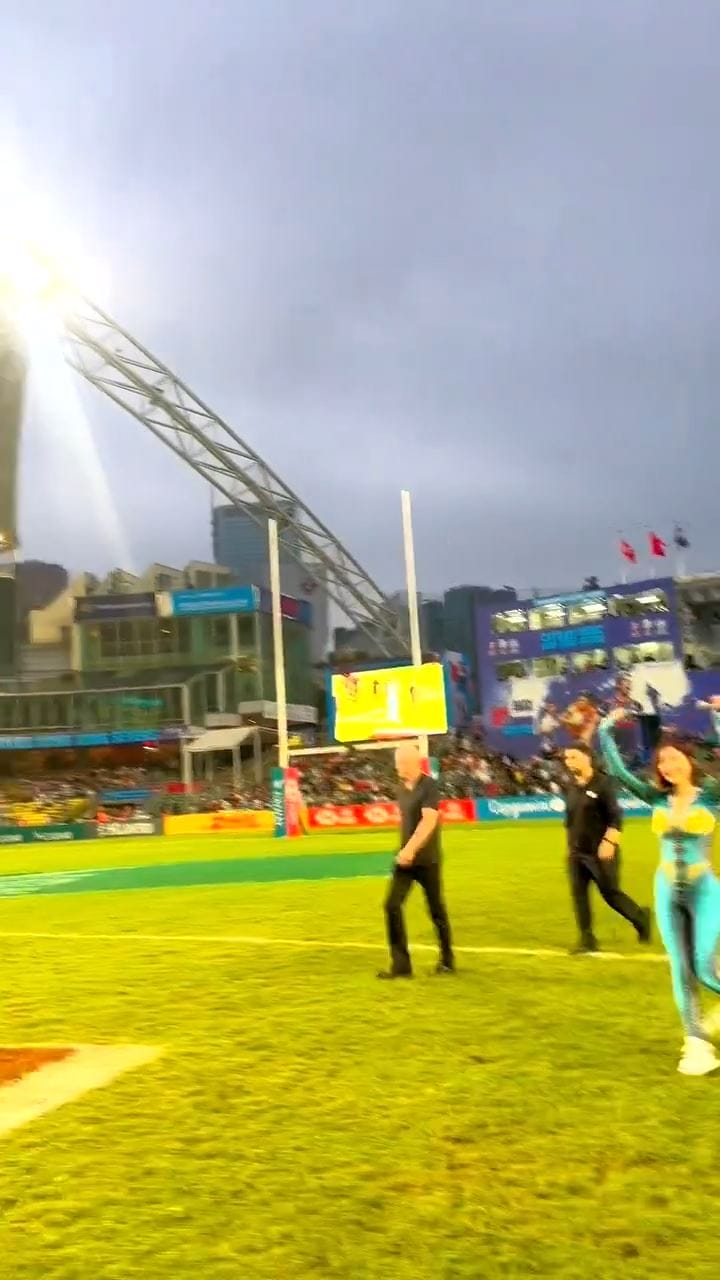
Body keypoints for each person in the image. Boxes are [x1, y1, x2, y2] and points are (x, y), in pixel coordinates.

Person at [599, 709, 720, 1076]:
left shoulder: (712, 793)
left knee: (704, 967)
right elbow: (619, 771)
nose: (667, 766)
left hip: (704, 892)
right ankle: (695, 1042)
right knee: (680, 969)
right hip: (666, 891)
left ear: (689, 759)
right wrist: (606, 729)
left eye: (673, 758)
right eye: (662, 762)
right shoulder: (655, 797)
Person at [562, 743, 651, 955]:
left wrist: (610, 842)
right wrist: (569, 848)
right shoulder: (571, 787)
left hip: (600, 852)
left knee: (611, 894)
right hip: (577, 853)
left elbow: (615, 816)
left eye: (573, 757)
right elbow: (570, 821)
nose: (568, 762)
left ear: (587, 758)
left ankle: (640, 917)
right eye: (566, 758)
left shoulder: (603, 783)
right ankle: (587, 938)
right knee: (579, 895)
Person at [379, 741, 454, 979]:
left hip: (427, 860)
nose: (397, 767)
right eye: (397, 763)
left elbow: (429, 821)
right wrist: (404, 850)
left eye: (400, 763)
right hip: (405, 861)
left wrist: (411, 849)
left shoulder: (429, 786)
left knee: (436, 910)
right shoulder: (400, 788)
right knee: (391, 905)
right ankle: (401, 966)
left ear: (413, 763)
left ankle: (447, 960)